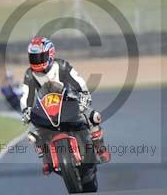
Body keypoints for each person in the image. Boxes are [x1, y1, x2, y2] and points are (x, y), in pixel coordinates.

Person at [20, 37, 110, 175]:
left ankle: (100, 148)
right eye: (34, 57)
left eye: (39, 57)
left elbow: (78, 81)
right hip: (46, 108)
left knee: (94, 117)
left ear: (50, 54)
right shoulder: (30, 74)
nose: (36, 60)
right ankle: (46, 161)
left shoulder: (62, 66)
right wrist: (26, 110)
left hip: (69, 103)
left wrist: (84, 94)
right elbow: (26, 94)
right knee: (33, 136)